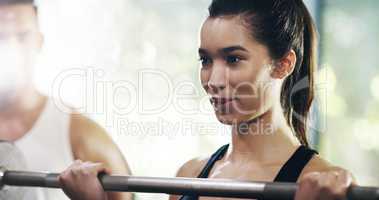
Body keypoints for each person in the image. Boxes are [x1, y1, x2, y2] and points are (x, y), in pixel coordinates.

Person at [58, 0, 356, 200]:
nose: (213, 80)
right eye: (206, 60)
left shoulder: (319, 183)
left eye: (233, 59)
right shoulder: (189, 175)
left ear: (283, 64)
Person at [0, 0, 132, 200]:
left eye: (22, 36)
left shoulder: (81, 134)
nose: (10, 48)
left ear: (39, 42)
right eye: (0, 36)